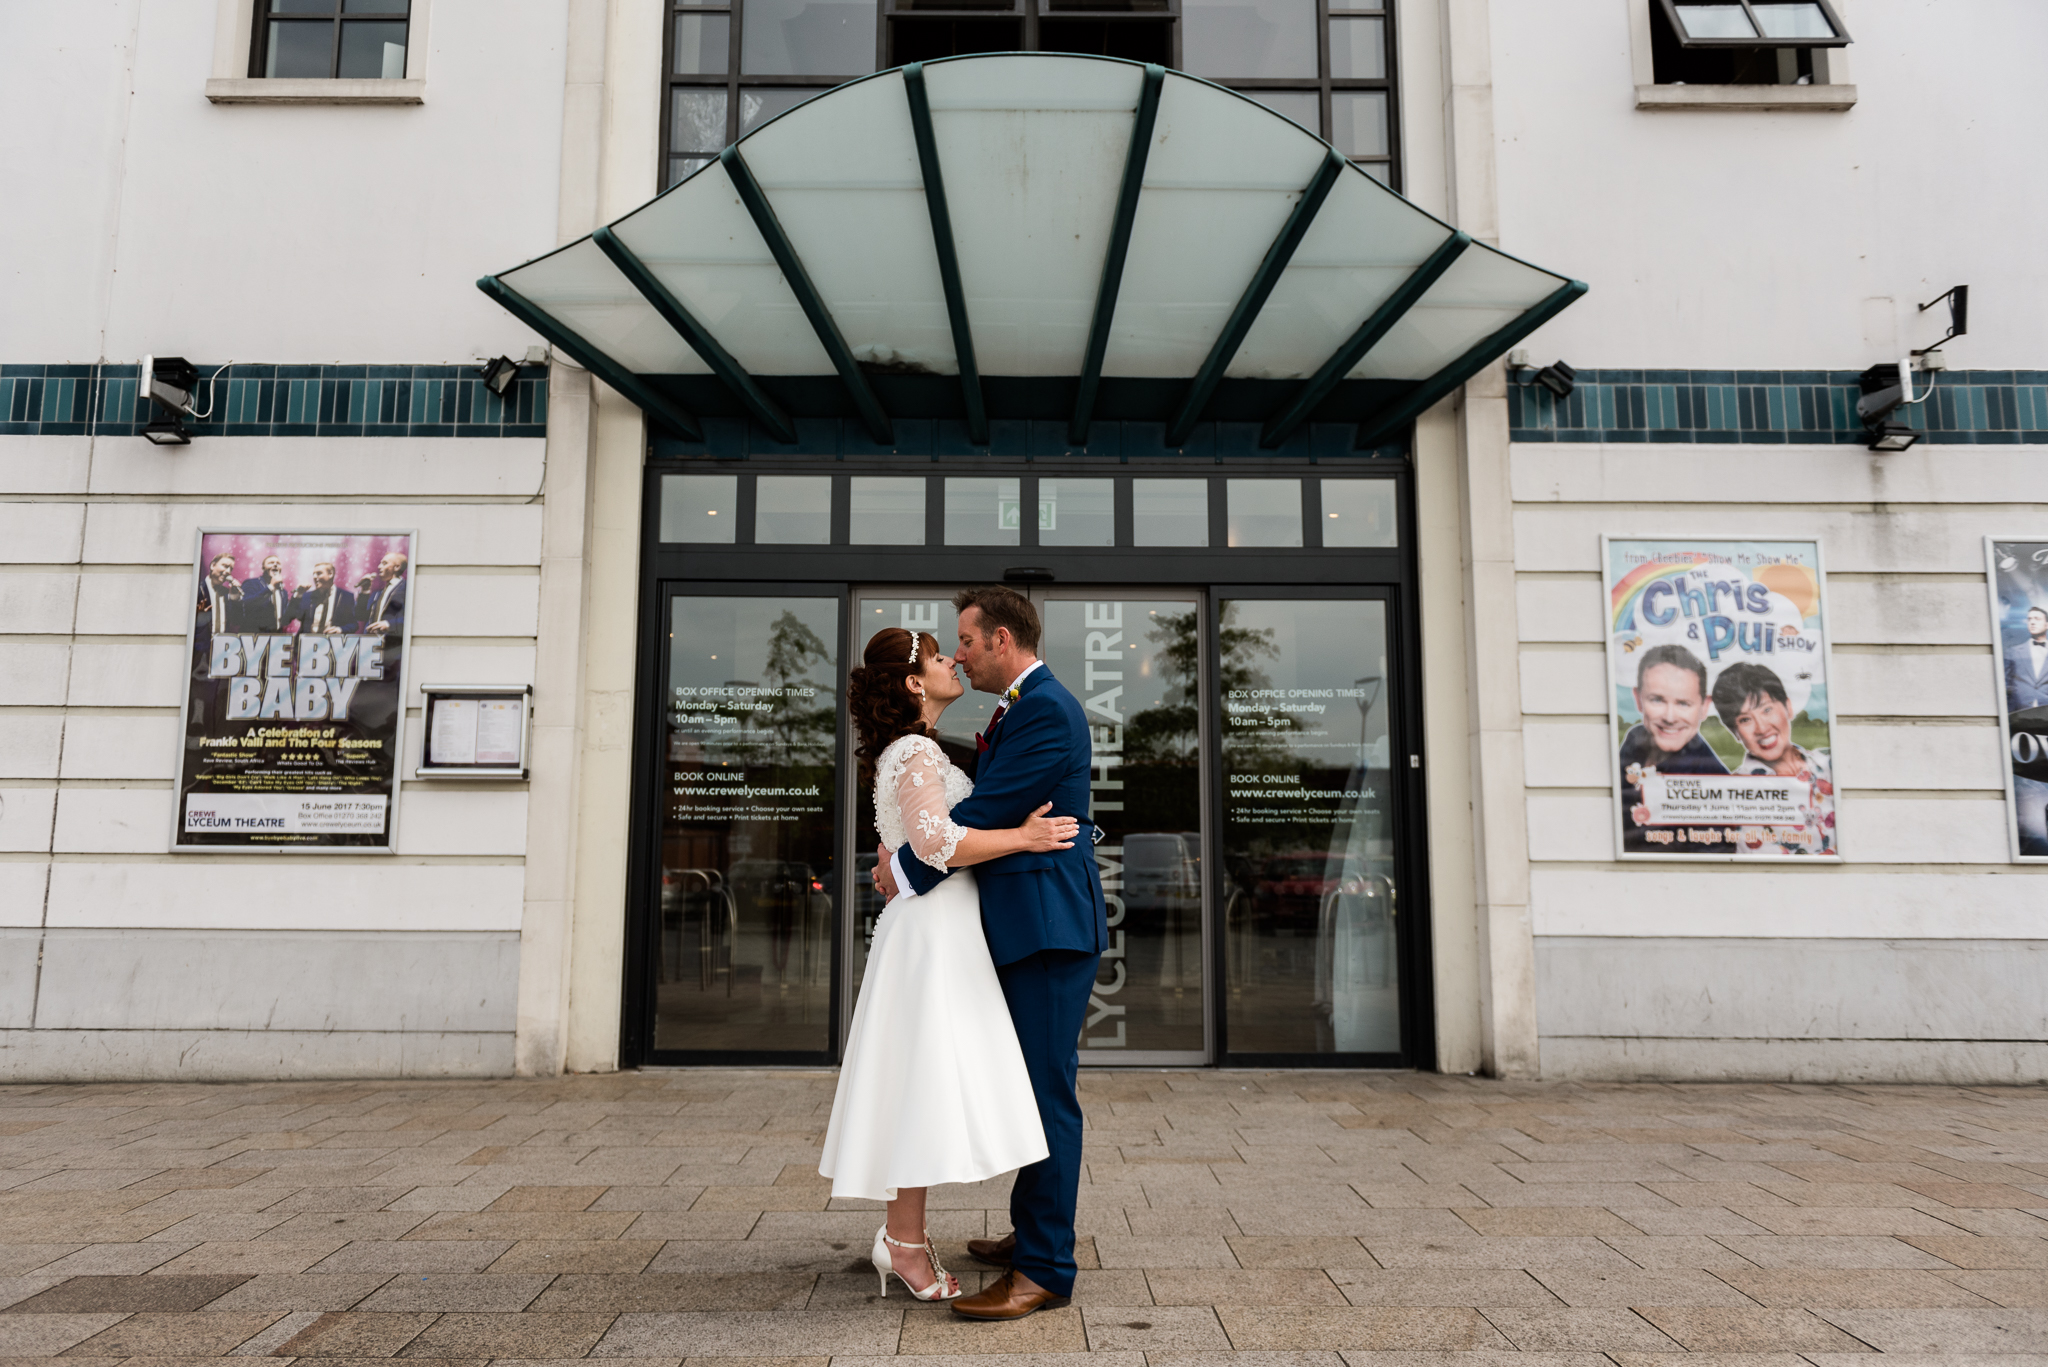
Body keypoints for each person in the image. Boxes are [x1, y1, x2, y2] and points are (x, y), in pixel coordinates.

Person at [819, 626, 1076, 1303]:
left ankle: (903, 1238)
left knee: (924, 1086)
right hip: (932, 936)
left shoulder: (918, 749)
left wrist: (892, 866)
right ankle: (903, 1244)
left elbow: (906, 843)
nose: (953, 660)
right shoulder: (913, 749)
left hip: (942, 930)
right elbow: (935, 842)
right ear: (912, 682)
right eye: (939, 656)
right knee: (921, 1086)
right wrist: (1023, 835)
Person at [872, 586, 1108, 1321]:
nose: (959, 653)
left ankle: (1043, 1268)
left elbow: (986, 810)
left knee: (1045, 1095)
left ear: (1001, 638)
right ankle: (1030, 1234)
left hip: (1045, 926)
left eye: (967, 641)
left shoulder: (1043, 707)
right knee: (1027, 1086)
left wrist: (900, 870)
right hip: (1022, 923)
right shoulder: (1020, 705)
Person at [1711, 660, 1835, 856]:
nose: (1761, 728)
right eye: (1745, 720)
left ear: (1788, 707)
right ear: (1735, 732)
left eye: (1767, 709)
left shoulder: (1829, 764)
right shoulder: (1737, 793)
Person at [1617, 643, 1728, 852]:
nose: (1669, 717)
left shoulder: (1712, 780)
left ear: (1704, 707)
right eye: (1657, 700)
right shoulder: (1634, 739)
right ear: (1638, 699)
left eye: (1683, 703)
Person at [292, 562, 354, 637]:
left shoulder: (346, 597)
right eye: (313, 574)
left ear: (330, 574)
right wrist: (298, 595)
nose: (314, 577)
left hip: (332, 644)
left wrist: (340, 629)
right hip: (307, 643)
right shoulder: (307, 596)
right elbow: (295, 616)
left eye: (319, 573)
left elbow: (353, 624)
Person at [2006, 606, 2048, 712]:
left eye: (2037, 619)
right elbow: (2006, 685)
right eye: (2030, 619)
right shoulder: (2013, 652)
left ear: (2046, 624)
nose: (2032, 622)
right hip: (2018, 714)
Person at [240, 554, 290, 633]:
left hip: (276, 638)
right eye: (271, 563)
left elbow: (286, 617)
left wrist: (298, 596)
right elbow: (246, 604)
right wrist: (270, 587)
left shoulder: (283, 592)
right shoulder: (251, 583)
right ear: (263, 568)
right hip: (255, 636)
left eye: (278, 563)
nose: (275, 564)